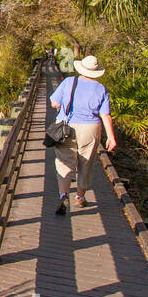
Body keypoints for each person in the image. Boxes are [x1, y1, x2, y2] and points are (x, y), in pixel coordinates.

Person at [49, 54, 117, 216]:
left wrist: (61, 106)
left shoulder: (68, 82)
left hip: (66, 127)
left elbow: (54, 102)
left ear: (81, 68)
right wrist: (111, 137)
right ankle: (79, 197)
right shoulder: (101, 89)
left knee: (64, 161)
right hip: (90, 128)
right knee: (85, 162)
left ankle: (63, 195)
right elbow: (105, 115)